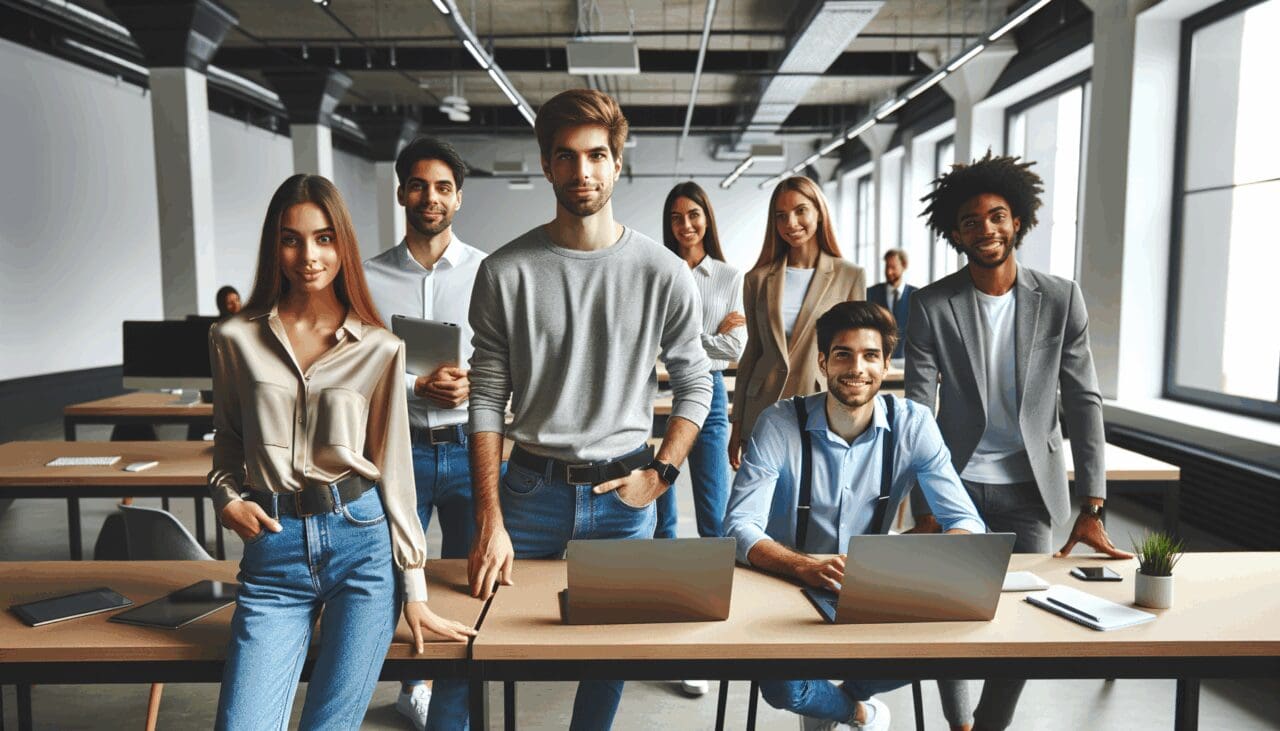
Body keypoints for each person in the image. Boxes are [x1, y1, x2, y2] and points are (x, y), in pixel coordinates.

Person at [465, 89, 712, 730]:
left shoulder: (663, 272)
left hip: (620, 492)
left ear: (617, 163)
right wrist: (488, 516)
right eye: (567, 157)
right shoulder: (504, 271)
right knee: (487, 648)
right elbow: (487, 398)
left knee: (607, 660)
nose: (583, 173)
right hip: (527, 491)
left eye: (597, 155)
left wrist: (662, 474)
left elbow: (697, 384)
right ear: (547, 166)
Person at [208, 174, 476, 730]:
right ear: (273, 245)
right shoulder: (233, 338)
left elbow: (395, 472)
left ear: (343, 245)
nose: (308, 255)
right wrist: (226, 499)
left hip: (362, 547)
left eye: (324, 238)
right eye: (292, 238)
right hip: (273, 549)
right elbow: (228, 445)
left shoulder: (381, 346)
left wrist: (416, 590)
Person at [906, 153, 1133, 731]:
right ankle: (958, 723)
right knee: (950, 614)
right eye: (971, 221)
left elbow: (1084, 401)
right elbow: (917, 412)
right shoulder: (932, 305)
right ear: (954, 233)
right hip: (955, 483)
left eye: (997, 216)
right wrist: (924, 499)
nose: (986, 229)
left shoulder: (1060, 298)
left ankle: (989, 726)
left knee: (1021, 616)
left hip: (1032, 487)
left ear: (1018, 221)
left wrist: (1094, 503)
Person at [724, 300, 985, 731]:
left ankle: (835, 701)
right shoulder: (779, 422)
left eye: (870, 355)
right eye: (843, 354)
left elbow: (966, 522)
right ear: (824, 362)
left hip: (875, 588)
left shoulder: (914, 424)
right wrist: (803, 565)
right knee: (783, 689)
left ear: (885, 365)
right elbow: (738, 527)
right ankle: (858, 712)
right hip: (786, 581)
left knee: (946, 645)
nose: (856, 368)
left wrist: (929, 562)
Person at [362, 136, 486, 730]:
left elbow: (506, 359)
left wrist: (472, 386)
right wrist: (416, 388)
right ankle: (413, 684)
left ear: (458, 198)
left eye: (442, 187)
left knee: (465, 587)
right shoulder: (366, 278)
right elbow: (355, 370)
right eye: (418, 184)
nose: (429, 197)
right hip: (398, 450)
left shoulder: (489, 271)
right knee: (395, 579)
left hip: (470, 450)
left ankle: (454, 707)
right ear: (401, 191)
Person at [657, 181, 747, 698]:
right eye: (676, 218)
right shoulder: (657, 268)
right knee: (662, 516)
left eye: (694, 216)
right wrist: (702, 339)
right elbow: (649, 340)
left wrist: (682, 342)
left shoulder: (730, 276)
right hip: (655, 395)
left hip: (709, 396)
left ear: (707, 219)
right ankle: (673, 636)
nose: (686, 225)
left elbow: (734, 347)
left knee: (714, 515)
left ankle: (711, 633)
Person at [729, 176, 866, 470]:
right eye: (781, 216)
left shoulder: (849, 276)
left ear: (819, 211)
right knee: (765, 506)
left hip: (822, 404)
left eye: (800, 210)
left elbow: (857, 355)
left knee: (816, 504)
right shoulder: (756, 279)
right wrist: (737, 424)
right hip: (762, 408)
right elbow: (752, 352)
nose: (791, 223)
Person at [866, 249, 914, 360]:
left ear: (904, 266)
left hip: (907, 361)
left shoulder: (916, 295)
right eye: (887, 267)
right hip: (876, 359)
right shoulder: (870, 293)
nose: (889, 272)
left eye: (893, 267)